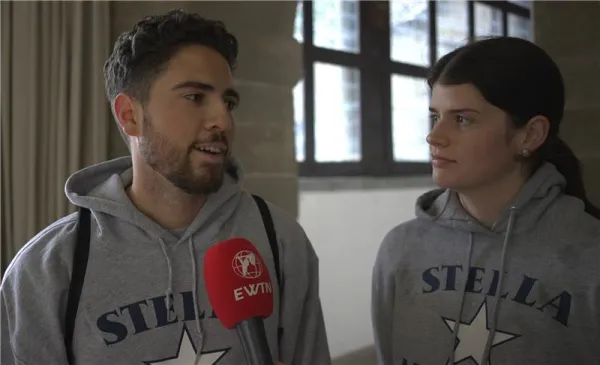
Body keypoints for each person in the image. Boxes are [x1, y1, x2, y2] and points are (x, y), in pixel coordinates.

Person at [1, 9, 331, 365]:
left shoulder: (279, 240)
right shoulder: (46, 268)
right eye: (195, 97)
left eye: (229, 102)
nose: (223, 120)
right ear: (130, 116)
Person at [371, 36, 600, 365]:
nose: (434, 136)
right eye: (435, 116)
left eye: (463, 119)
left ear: (530, 135)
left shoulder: (589, 257)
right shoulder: (401, 249)